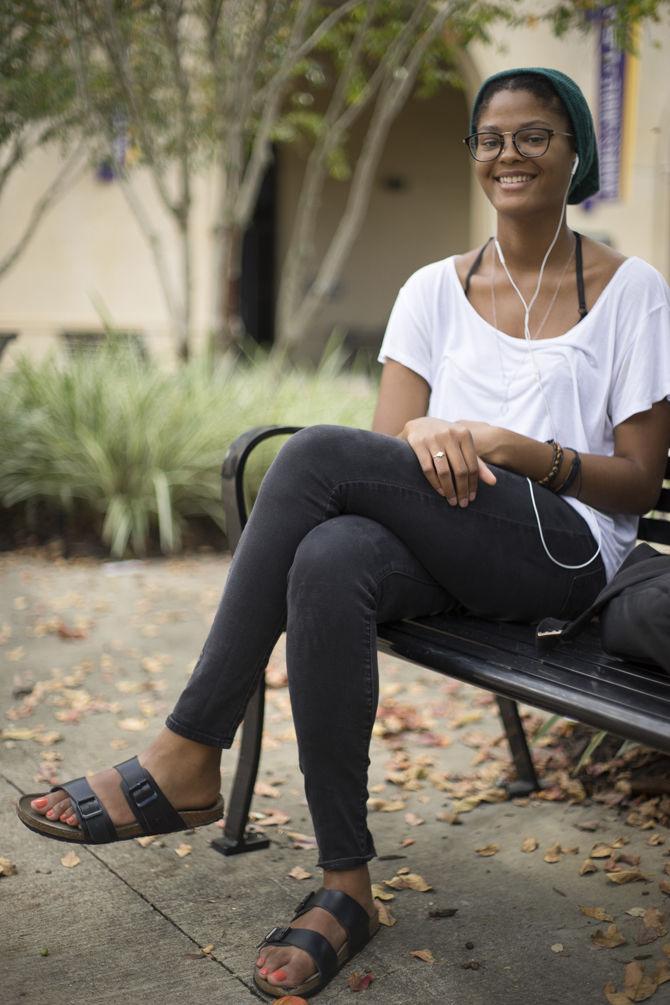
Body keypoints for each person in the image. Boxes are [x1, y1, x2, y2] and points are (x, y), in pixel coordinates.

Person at [17, 67, 670, 999]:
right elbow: (390, 448)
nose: (510, 154)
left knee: (318, 453)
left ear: (576, 152)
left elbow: (637, 481)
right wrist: (433, 444)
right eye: (490, 138)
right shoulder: (431, 291)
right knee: (329, 556)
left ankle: (186, 749)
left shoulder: (632, 289)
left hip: (566, 553)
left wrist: (510, 445)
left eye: (535, 135)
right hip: (457, 545)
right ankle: (346, 884)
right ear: (475, 156)